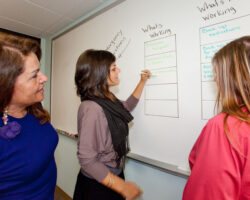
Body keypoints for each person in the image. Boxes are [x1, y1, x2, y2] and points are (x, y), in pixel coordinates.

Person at [73, 49, 150, 200]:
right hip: (97, 185)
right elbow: (87, 160)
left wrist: (142, 81)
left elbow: (126, 106)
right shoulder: (91, 108)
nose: (118, 70)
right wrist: (122, 186)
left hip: (114, 175)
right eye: (114, 68)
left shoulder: (108, 100)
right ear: (99, 74)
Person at [183, 36, 250, 200]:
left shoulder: (225, 127)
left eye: (217, 73)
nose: (215, 78)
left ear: (233, 76)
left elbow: (207, 194)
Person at [0, 37, 58, 199]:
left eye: (40, 70)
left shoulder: (34, 108)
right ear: (7, 85)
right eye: (34, 75)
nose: (44, 78)